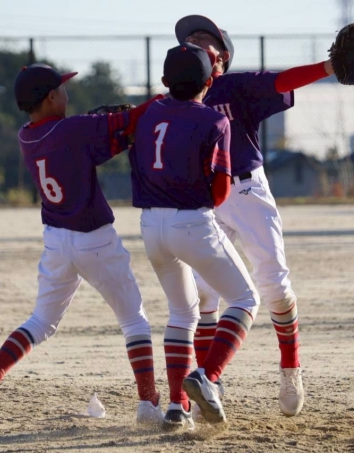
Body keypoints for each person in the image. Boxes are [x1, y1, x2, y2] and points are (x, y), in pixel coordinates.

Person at [0, 63, 164, 428]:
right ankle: (149, 403)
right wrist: (169, 96)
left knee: (41, 320)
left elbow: (88, 148)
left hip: (57, 242)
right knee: (133, 318)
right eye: (63, 89)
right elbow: (132, 118)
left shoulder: (26, 135)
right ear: (51, 97)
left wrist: (115, 136)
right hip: (95, 239)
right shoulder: (72, 129)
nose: (67, 94)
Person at [174, 15, 337, 417]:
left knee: (274, 286)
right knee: (203, 293)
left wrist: (328, 67)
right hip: (203, 198)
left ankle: (290, 369)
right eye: (189, 39)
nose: (193, 42)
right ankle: (209, 383)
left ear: (222, 57)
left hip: (246, 189)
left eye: (203, 39)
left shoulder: (236, 86)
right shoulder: (179, 95)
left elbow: (283, 81)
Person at [129, 43, 260, 429]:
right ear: (209, 82)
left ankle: (177, 406)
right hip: (192, 222)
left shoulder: (148, 112)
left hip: (150, 225)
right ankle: (208, 376)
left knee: (182, 312)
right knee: (245, 299)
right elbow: (220, 191)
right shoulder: (214, 120)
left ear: (164, 80)